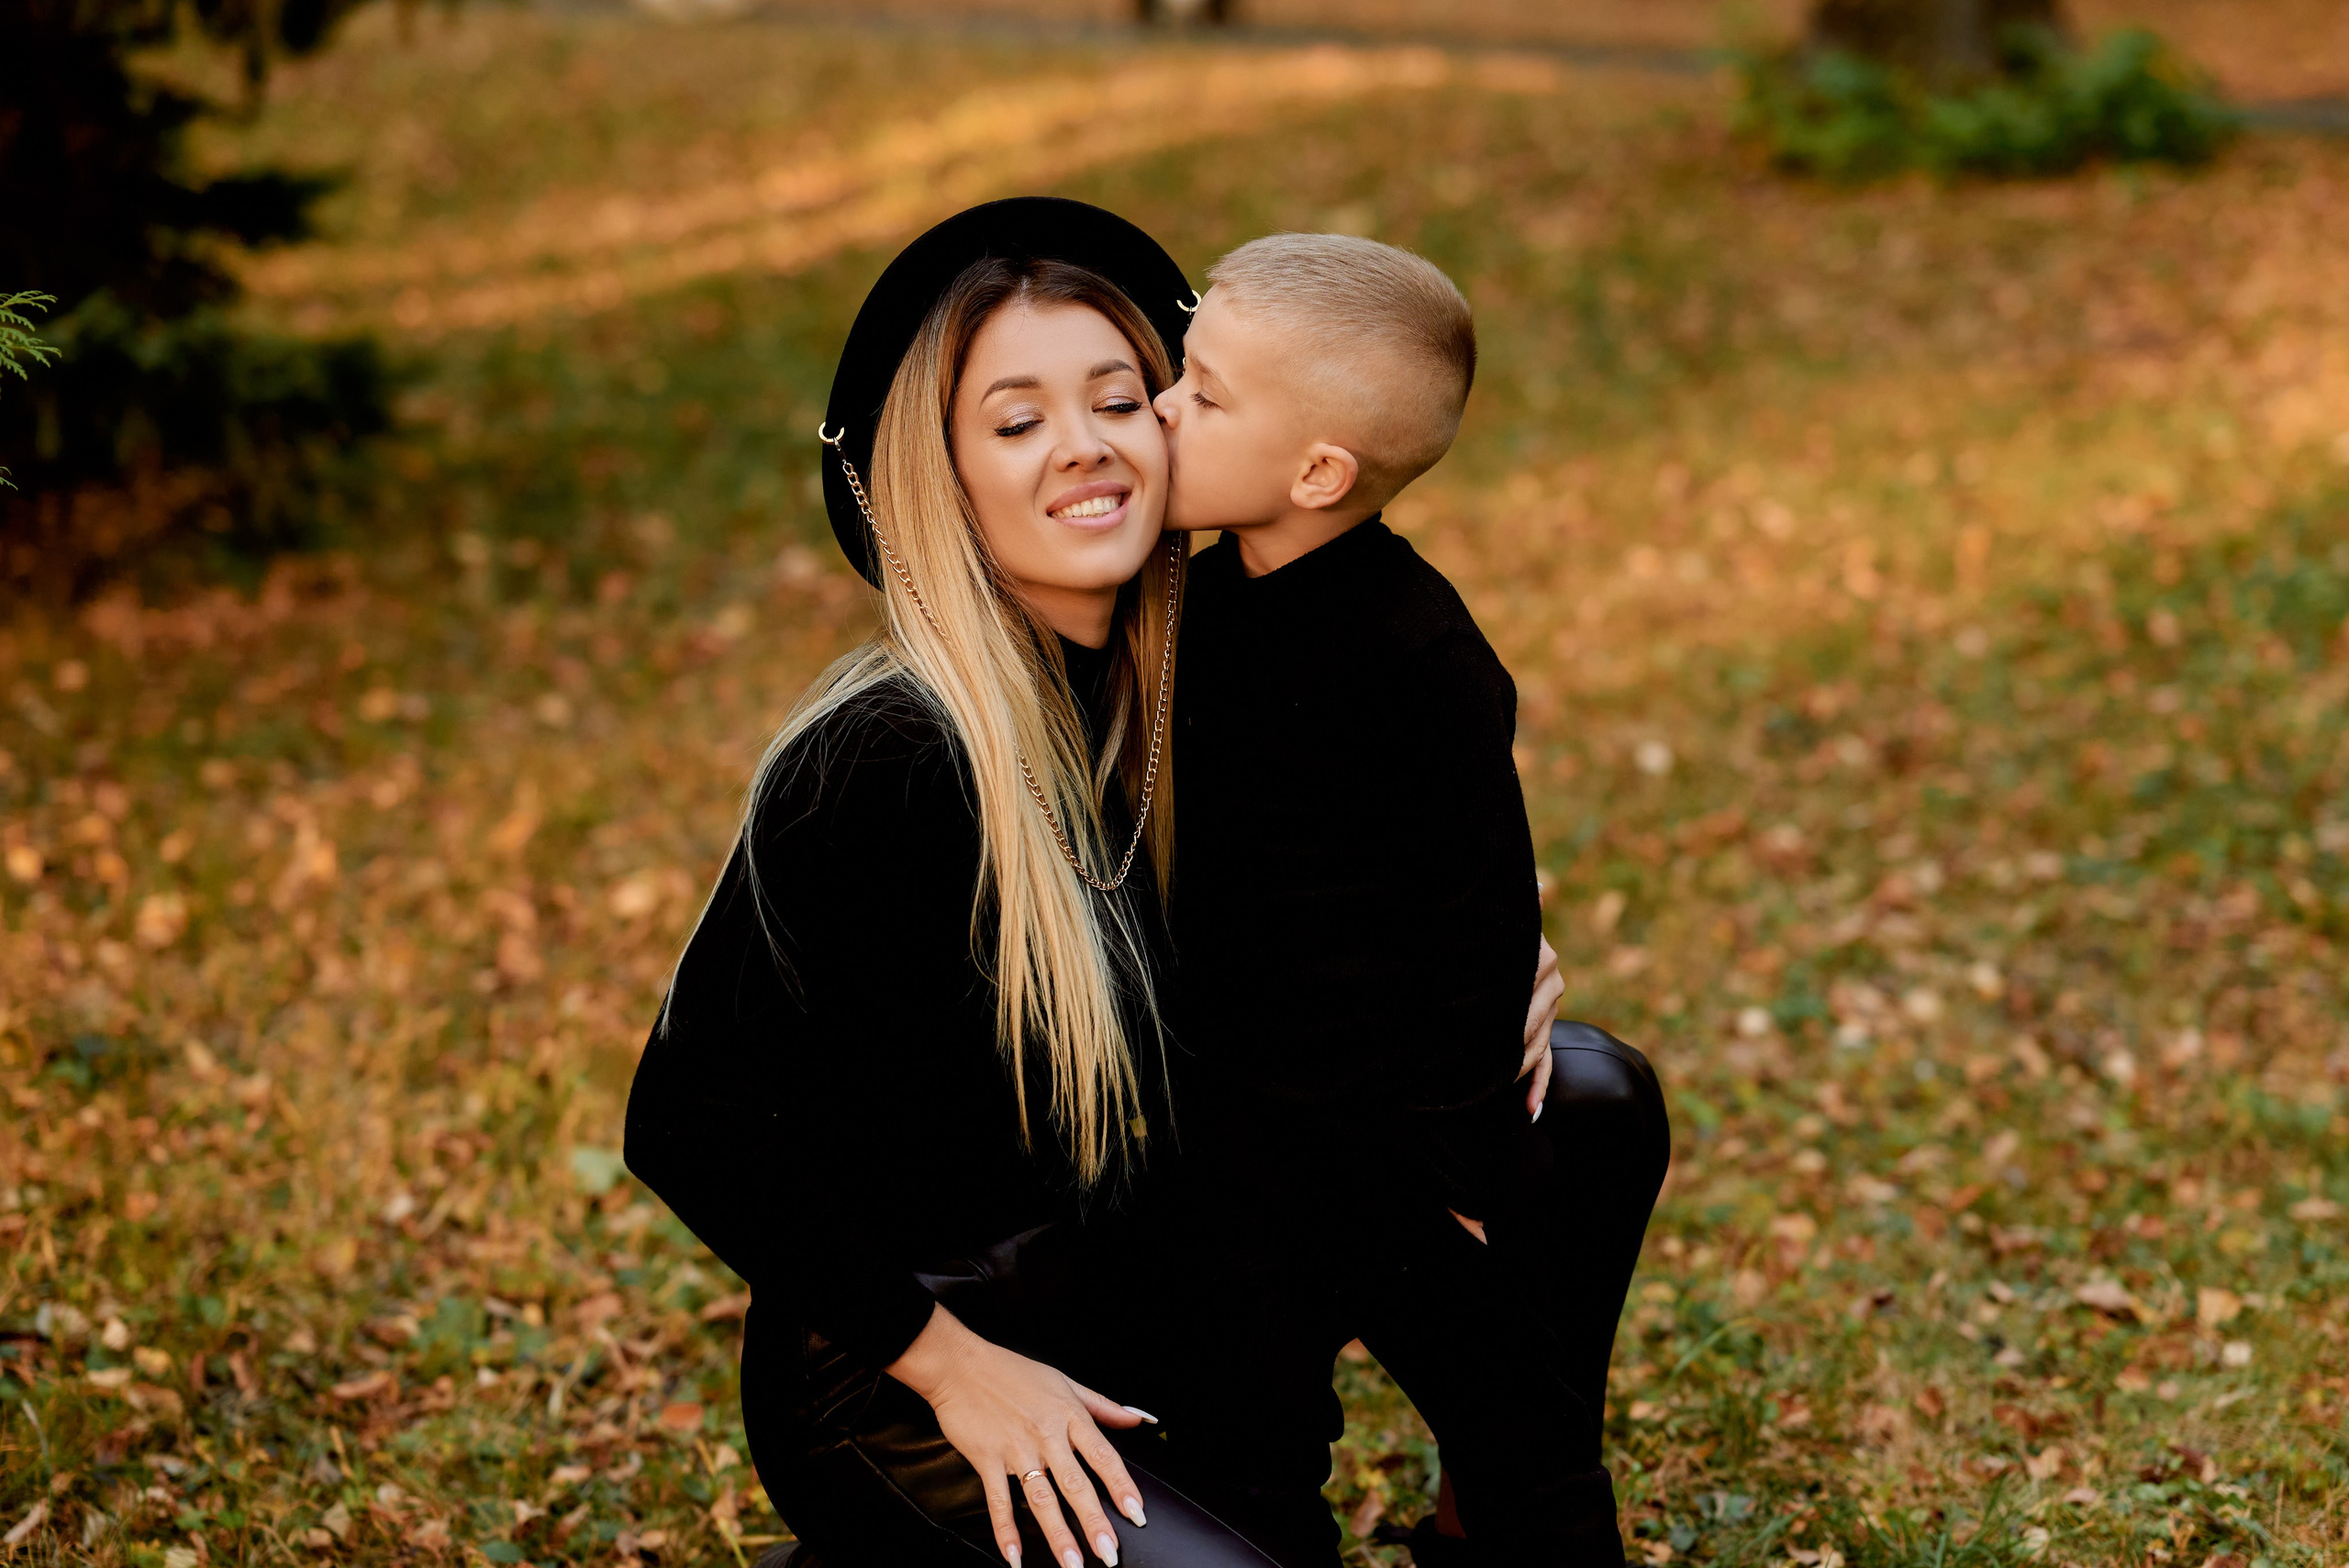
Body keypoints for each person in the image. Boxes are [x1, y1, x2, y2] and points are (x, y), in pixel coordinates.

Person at [626, 199, 1284, 1568]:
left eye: (1119, 399)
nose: (1084, 445)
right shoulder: (885, 756)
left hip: (1126, 1311)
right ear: (944, 480)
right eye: (1017, 420)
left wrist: (1483, 965)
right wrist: (953, 1368)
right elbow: (688, 1121)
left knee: (1580, 1104)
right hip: (913, 1377)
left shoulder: (1190, 693)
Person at [1136, 233, 1672, 1567]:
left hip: (1390, 1152)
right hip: (1236, 1139)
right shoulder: (1192, 605)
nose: (1162, 409)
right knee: (1250, 1439)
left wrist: (1468, 1172)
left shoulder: (1417, 657)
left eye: (1203, 394)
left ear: (1318, 473)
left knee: (1522, 1434)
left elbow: (1479, 925)